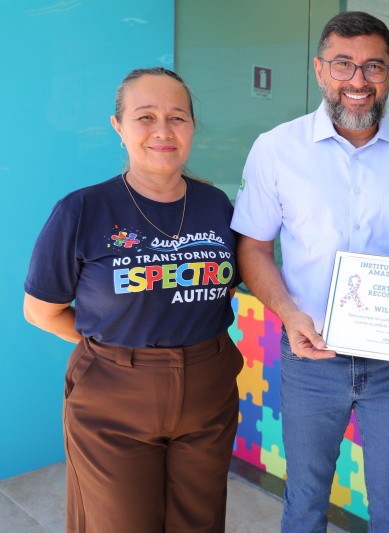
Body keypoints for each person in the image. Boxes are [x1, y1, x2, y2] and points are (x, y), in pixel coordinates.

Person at [231, 11, 389, 533]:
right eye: (343, 65)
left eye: (373, 66)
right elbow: (254, 249)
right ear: (318, 70)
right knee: (305, 503)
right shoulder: (276, 149)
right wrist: (289, 315)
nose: (358, 80)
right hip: (311, 357)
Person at [22, 67, 243, 533]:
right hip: (113, 400)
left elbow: (234, 281)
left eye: (177, 117)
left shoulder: (217, 205)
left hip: (208, 393)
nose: (163, 130)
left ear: (192, 128)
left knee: (200, 523)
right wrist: (115, 353)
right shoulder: (82, 210)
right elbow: (41, 311)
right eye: (145, 116)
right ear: (118, 127)